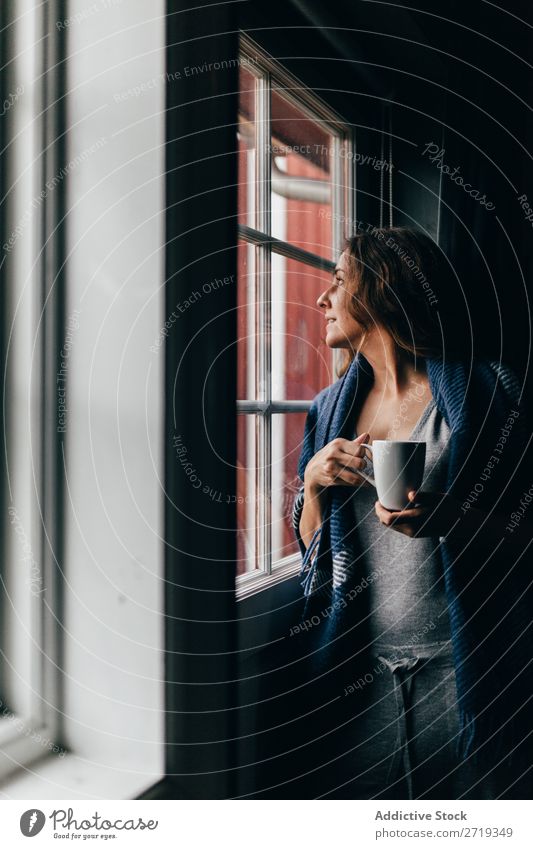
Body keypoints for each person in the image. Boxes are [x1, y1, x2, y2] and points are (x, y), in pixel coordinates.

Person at [292, 226, 533, 799]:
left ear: (383, 291)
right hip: (360, 677)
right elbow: (312, 551)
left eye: (338, 282)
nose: (321, 299)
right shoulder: (329, 411)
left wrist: (457, 520)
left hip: (468, 672)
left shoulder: (486, 392)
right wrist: (313, 484)